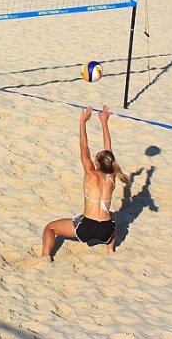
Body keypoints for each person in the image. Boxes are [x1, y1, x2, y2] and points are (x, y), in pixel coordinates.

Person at [41, 106, 130, 259]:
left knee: (50, 228)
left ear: (97, 162)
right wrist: (104, 122)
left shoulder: (90, 172)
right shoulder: (112, 175)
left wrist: (82, 122)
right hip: (106, 230)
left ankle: (44, 258)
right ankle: (110, 250)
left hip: (87, 227)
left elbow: (84, 146)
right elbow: (109, 151)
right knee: (113, 217)